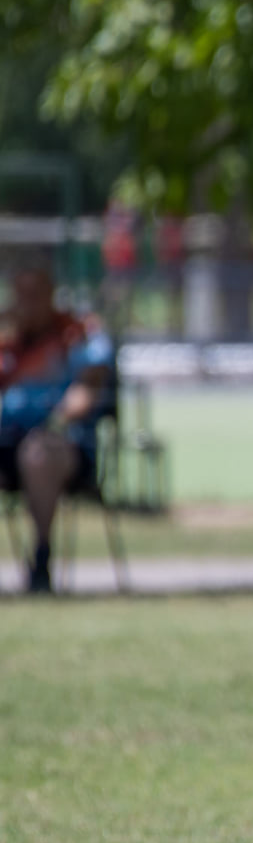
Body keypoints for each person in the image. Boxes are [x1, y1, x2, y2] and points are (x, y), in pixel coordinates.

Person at [0, 250, 112, 594]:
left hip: (61, 444)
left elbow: (87, 389)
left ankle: (42, 557)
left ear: (51, 293)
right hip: (5, 440)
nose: (28, 302)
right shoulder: (7, 339)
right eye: (22, 293)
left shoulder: (76, 333)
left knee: (39, 454)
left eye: (37, 293)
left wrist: (56, 419)